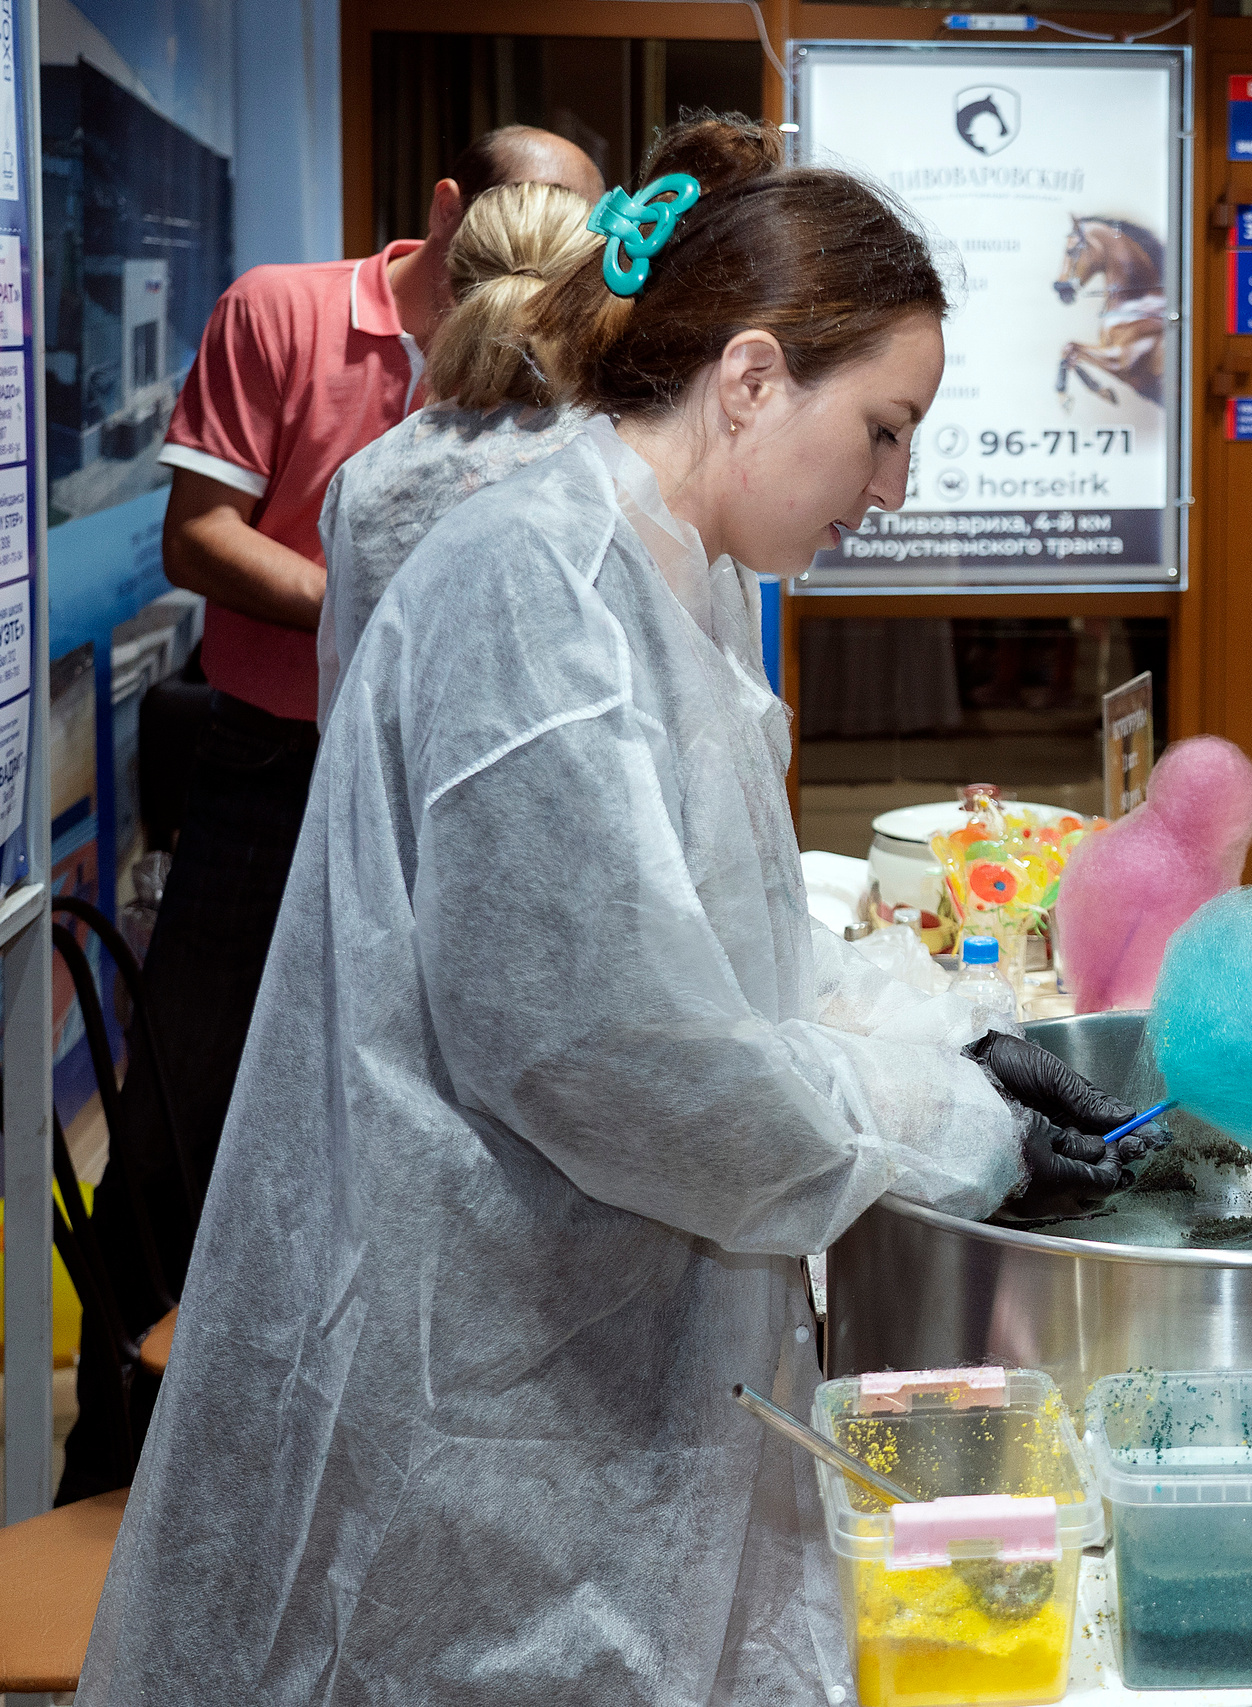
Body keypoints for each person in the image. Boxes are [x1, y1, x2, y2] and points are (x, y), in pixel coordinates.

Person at [80, 118, 1148, 1704]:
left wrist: (956, 1036)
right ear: (752, 377)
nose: (894, 485)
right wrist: (952, 1120)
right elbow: (625, 1055)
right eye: (883, 430)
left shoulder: (681, 571)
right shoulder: (534, 586)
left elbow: (729, 945)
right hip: (488, 1387)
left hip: (598, 1347)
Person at [51, 124, 605, 1508]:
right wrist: (376, 602)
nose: (548, 267)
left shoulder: (566, 351)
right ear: (448, 207)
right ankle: (109, 1461)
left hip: (457, 787)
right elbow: (198, 534)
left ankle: (329, 1472)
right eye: (527, 228)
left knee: (419, 1120)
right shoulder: (285, 313)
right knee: (184, 1111)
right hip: (277, 765)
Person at [316, 181, 599, 728]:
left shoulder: (365, 478)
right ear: (599, 299)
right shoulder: (618, 463)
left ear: (449, 285)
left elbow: (342, 697)